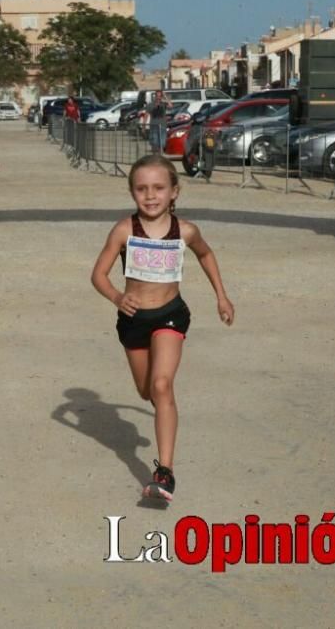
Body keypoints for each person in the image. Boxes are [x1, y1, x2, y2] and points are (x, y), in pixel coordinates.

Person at [90, 154, 235, 502]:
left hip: (171, 314)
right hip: (132, 320)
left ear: (174, 191)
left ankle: (165, 472)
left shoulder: (185, 230)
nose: (150, 195)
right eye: (142, 189)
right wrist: (116, 296)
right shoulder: (125, 230)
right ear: (132, 193)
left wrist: (222, 296)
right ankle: (159, 407)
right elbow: (98, 275)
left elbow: (206, 254)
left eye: (158, 188)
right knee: (147, 392)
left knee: (162, 384)